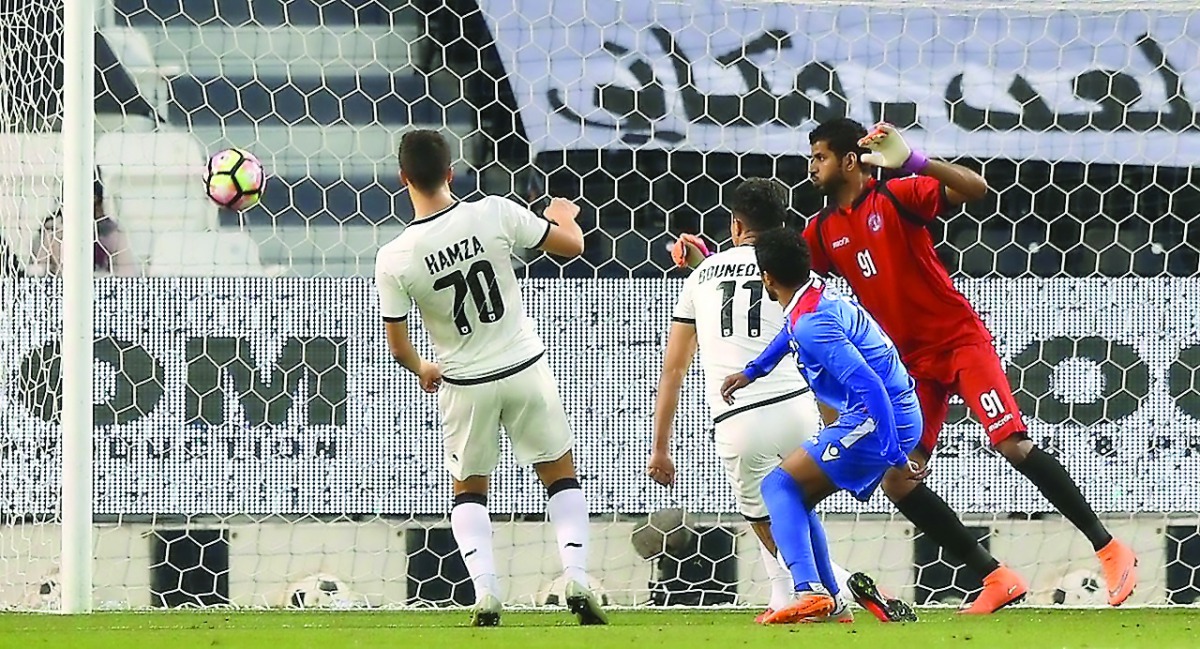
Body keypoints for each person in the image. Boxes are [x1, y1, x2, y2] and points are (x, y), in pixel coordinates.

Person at [798, 118, 1136, 612]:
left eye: (820, 157)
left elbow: (976, 188)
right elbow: (782, 276)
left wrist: (915, 162)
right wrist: (712, 267)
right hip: (909, 365)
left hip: (959, 343)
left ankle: (1109, 547)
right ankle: (996, 578)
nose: (812, 168)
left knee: (1011, 443)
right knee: (897, 478)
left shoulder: (897, 195)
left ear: (850, 160)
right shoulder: (823, 230)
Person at [649, 178, 915, 624]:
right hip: (797, 408)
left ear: (735, 224)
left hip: (738, 417)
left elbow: (674, 368)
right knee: (795, 500)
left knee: (765, 513)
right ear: (786, 227)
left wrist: (660, 446)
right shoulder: (802, 275)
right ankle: (822, 595)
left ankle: (815, 591)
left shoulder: (699, 278)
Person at [374, 130, 606, 627]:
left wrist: (423, 368)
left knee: (469, 491)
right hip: (524, 367)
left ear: (403, 179)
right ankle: (578, 576)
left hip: (464, 382)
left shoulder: (395, 256)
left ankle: (486, 593)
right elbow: (571, 245)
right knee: (560, 477)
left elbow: (398, 345)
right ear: (451, 172)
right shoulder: (492, 211)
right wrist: (562, 216)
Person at [719, 227, 925, 624]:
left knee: (777, 485)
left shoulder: (813, 323)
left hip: (879, 416)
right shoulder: (812, 295)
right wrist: (753, 371)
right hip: (883, 414)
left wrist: (895, 454)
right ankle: (830, 601)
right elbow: (790, 332)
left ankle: (810, 591)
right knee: (795, 496)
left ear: (767, 278)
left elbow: (870, 386)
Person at [32, 176, 137, 277]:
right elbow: (38, 272)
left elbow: (127, 274)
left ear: (97, 199)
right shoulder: (52, 232)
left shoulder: (113, 234)